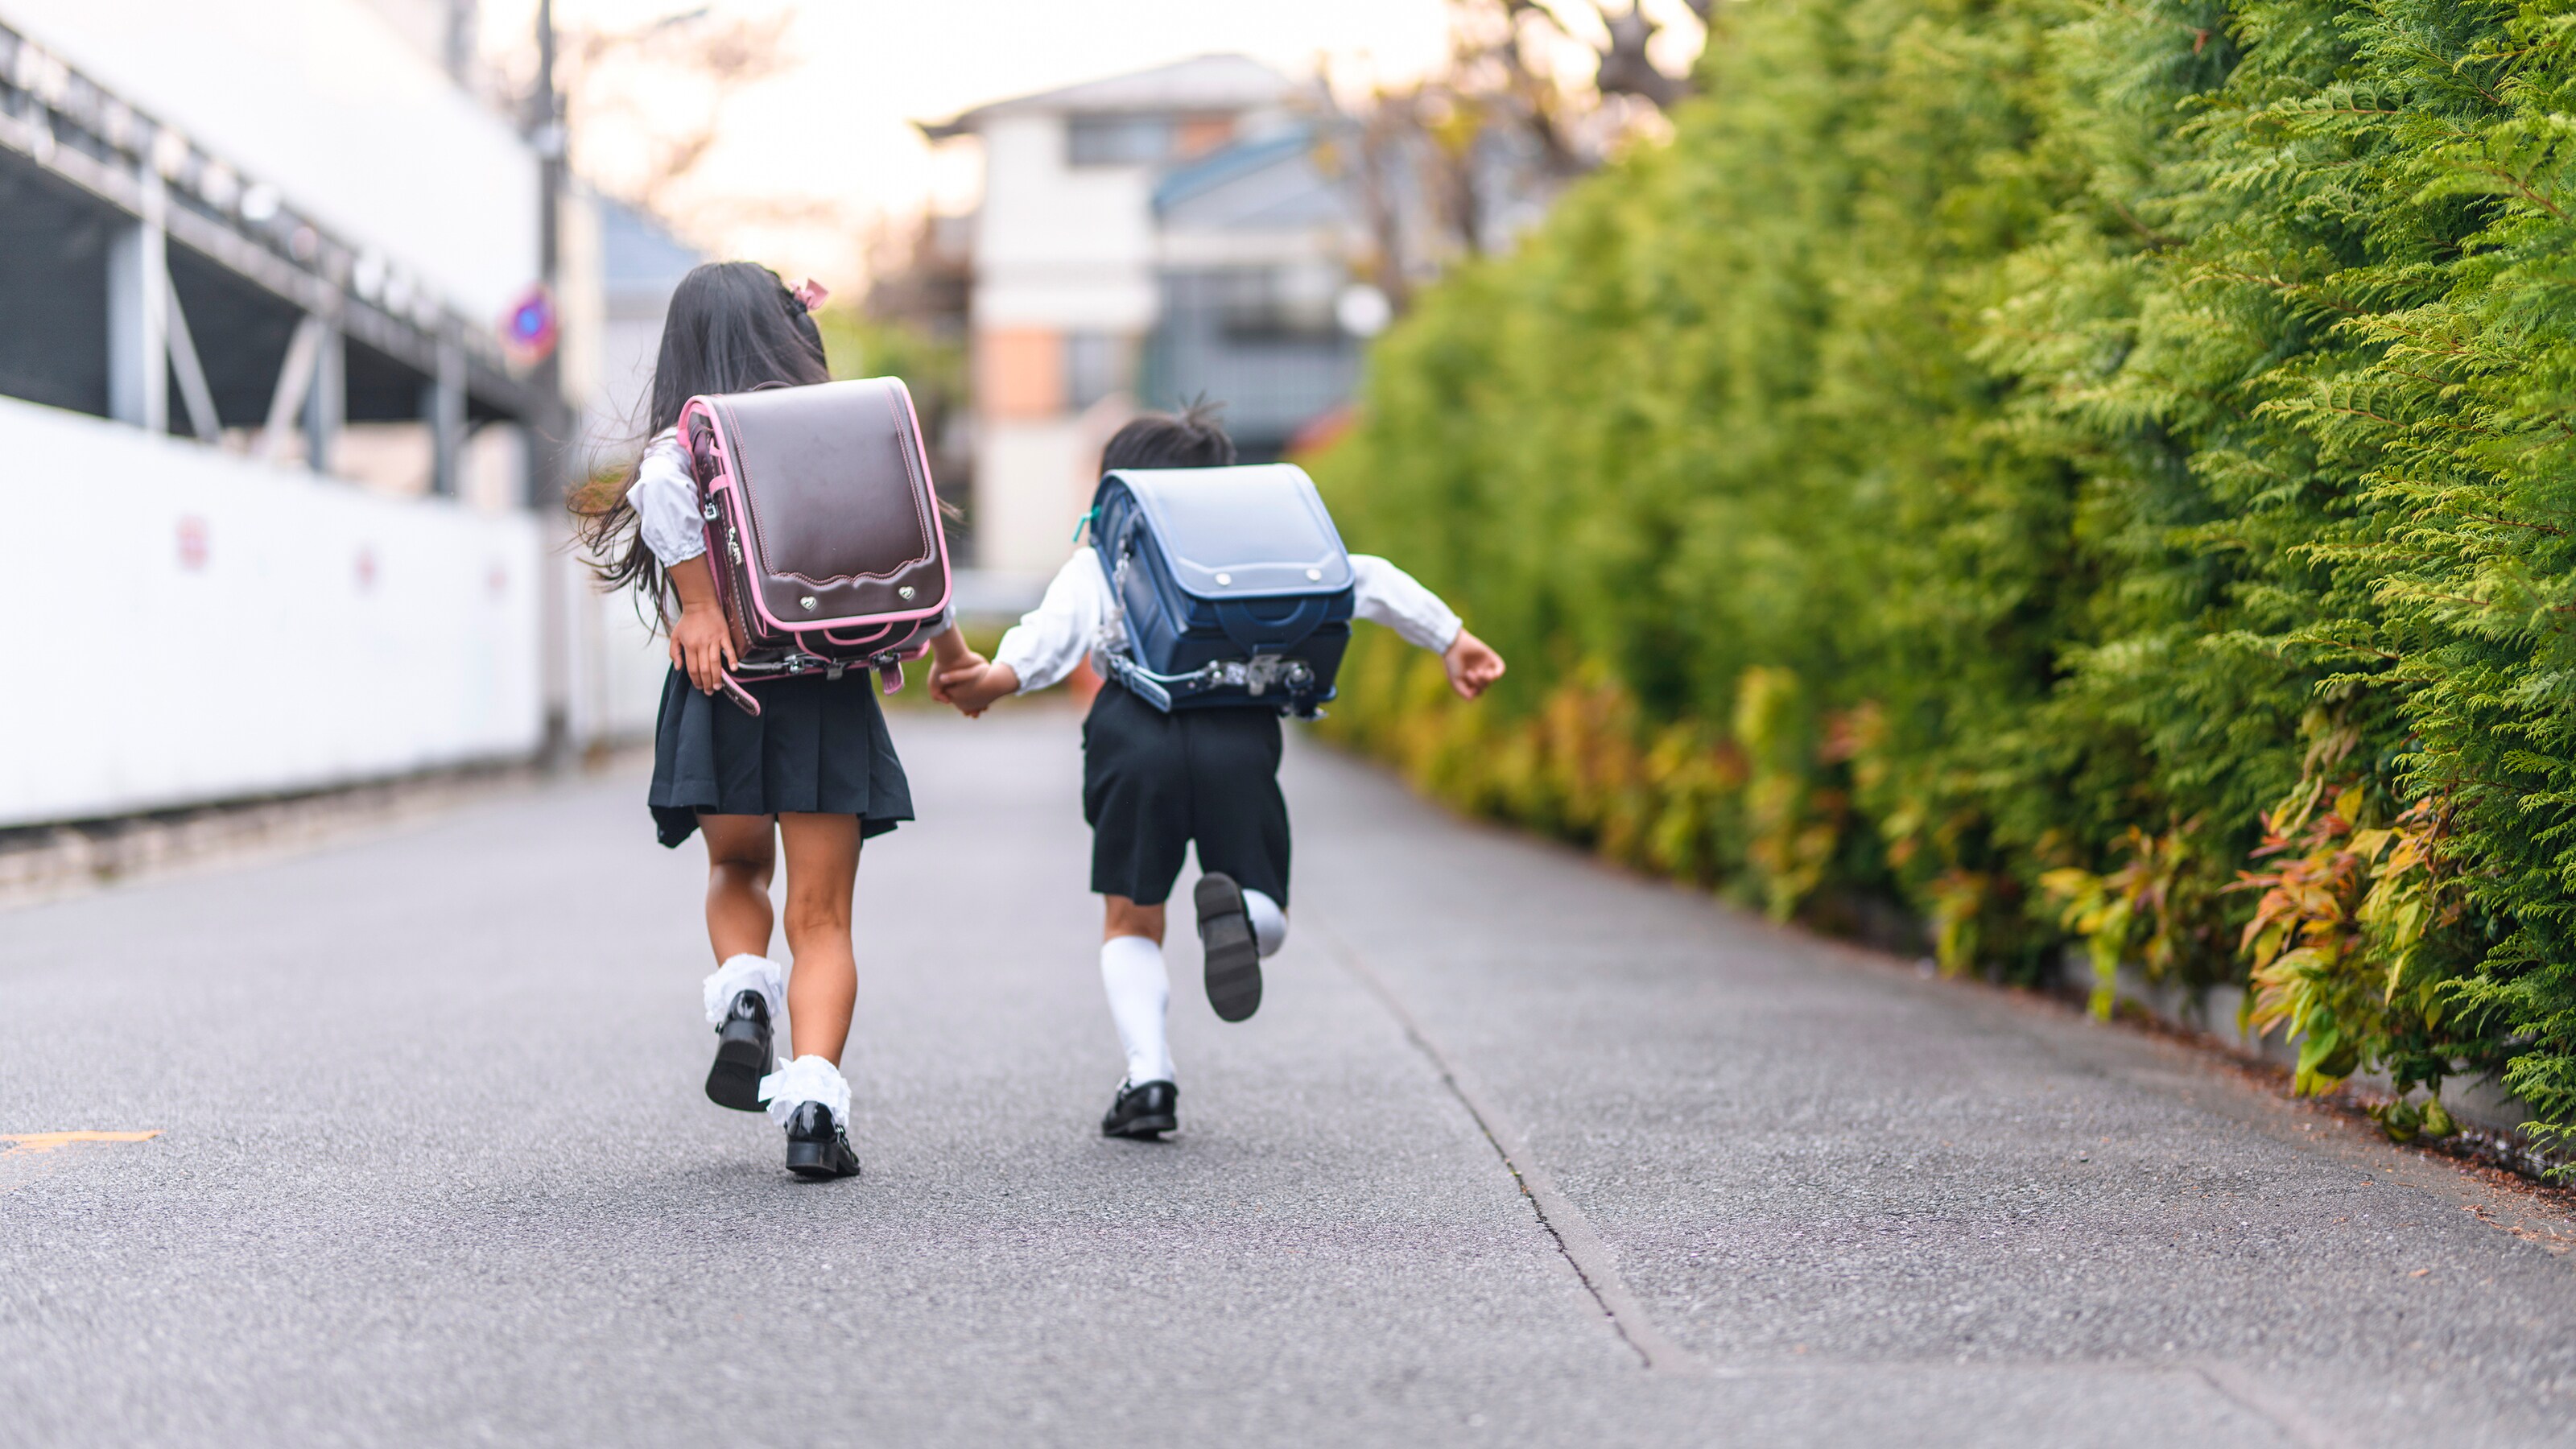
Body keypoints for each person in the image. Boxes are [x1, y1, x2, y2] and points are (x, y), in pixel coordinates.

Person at [933, 405, 1505, 1140]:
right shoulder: (1264, 555)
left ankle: (1149, 1079)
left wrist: (994, 680)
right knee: (1266, 905)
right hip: (1239, 730)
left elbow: (1050, 635)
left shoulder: (1107, 556)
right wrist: (1452, 639)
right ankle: (1243, 918)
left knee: (1131, 916)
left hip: (1133, 732)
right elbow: (1367, 579)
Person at [572, 261, 983, 1180]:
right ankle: (812, 1110)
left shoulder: (686, 439)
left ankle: (743, 996)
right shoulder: (848, 431)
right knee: (823, 918)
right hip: (826, 691)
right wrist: (955, 658)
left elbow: (658, 489)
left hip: (722, 685)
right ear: (791, 336)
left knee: (735, 867)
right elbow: (910, 547)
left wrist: (697, 604)